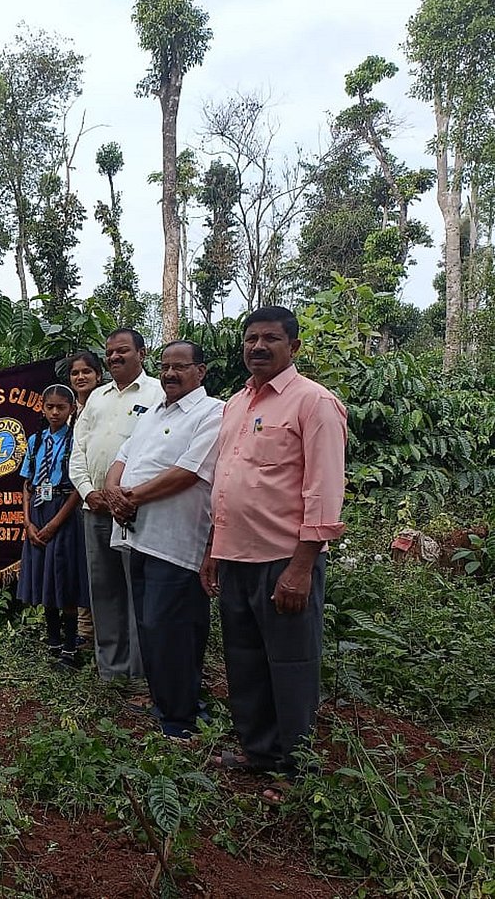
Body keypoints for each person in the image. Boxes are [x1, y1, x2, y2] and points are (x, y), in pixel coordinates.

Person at [200, 306, 347, 799]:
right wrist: (212, 551)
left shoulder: (314, 403)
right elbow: (225, 484)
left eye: (270, 339)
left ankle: (293, 767)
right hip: (235, 557)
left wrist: (302, 566)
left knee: (290, 663)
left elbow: (323, 490)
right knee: (243, 661)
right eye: (250, 339)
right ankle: (257, 749)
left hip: (284, 561)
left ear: (294, 347)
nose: (258, 347)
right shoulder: (234, 405)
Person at [105, 341, 225, 740]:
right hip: (137, 535)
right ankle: (165, 700)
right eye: (165, 367)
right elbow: (122, 459)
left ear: (200, 371)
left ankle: (181, 718)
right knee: (150, 625)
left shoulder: (213, 412)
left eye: (180, 367)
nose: (170, 374)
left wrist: (130, 497)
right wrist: (112, 491)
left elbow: (188, 472)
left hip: (177, 541)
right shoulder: (154, 411)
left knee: (173, 627)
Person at [68, 328, 163, 684]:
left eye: (123, 350)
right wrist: (89, 492)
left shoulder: (158, 393)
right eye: (109, 352)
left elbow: (160, 452)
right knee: (104, 590)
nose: (115, 357)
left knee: (136, 591)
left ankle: (141, 673)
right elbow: (78, 451)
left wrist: (124, 497)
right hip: (95, 509)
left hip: (134, 509)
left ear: (142, 351)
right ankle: (112, 670)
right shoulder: (96, 398)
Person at [17, 384, 86, 670]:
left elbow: (78, 488)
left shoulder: (76, 441)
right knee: (44, 575)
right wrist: (27, 522)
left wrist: (55, 523)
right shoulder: (34, 442)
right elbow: (26, 484)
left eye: (61, 407)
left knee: (64, 577)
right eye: (50, 407)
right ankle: (54, 641)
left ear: (72, 410)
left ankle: (71, 648)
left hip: (63, 511)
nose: (55, 412)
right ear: (42, 408)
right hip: (38, 511)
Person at [67, 350, 105, 646]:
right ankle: (82, 629)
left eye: (86, 372)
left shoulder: (106, 405)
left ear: (98, 375)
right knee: (80, 563)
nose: (81, 377)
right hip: (67, 498)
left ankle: (102, 631)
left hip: (97, 497)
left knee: (100, 566)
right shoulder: (66, 410)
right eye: (75, 373)